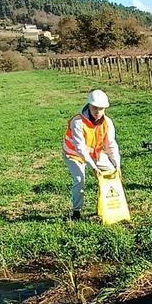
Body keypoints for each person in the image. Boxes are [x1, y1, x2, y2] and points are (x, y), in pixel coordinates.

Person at [61, 89, 121, 220]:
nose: (98, 112)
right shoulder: (77, 122)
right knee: (79, 180)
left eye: (101, 109)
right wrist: (94, 168)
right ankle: (76, 212)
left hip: (95, 154)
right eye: (95, 108)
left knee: (111, 173)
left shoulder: (107, 123)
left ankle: (105, 206)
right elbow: (80, 148)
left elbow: (111, 145)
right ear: (89, 106)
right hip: (74, 155)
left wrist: (117, 165)